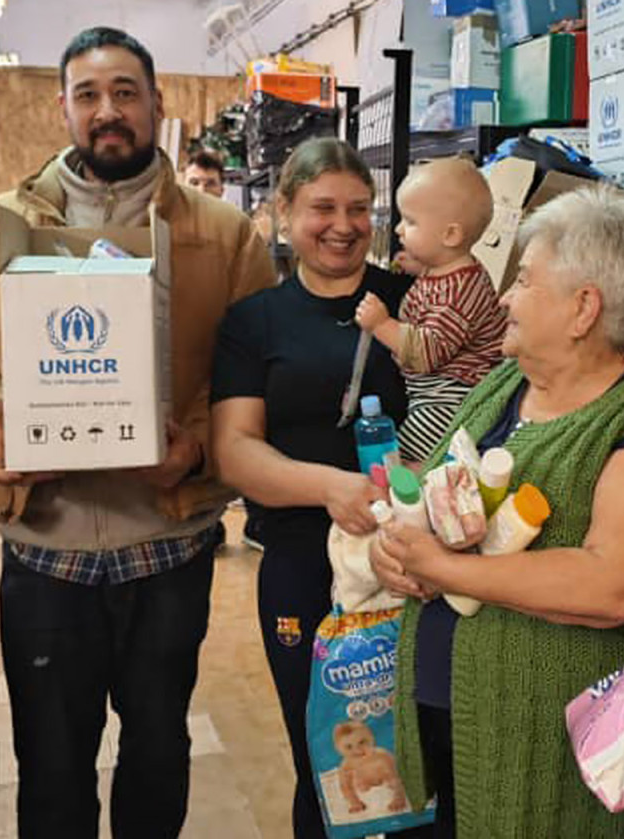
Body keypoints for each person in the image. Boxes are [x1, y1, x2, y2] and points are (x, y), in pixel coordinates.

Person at [0, 27, 275, 839]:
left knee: (157, 747)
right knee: (52, 760)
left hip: (168, 548)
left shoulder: (224, 236)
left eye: (124, 92)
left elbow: (259, 366)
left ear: (156, 104)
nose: (107, 111)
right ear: (64, 109)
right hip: (48, 550)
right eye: (88, 95)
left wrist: (194, 445)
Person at [368, 185, 624, 837]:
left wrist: (445, 569)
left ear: (584, 307)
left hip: (546, 767)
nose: (505, 297)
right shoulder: (505, 384)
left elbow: (622, 582)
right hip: (449, 729)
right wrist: (398, 544)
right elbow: (432, 492)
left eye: (524, 280)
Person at [209, 137, 426, 839]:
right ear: (283, 212)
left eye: (360, 209)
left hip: (417, 561)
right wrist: (332, 486)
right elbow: (235, 449)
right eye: (322, 208)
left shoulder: (412, 302)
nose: (343, 224)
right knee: (326, 757)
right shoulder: (255, 322)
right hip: (304, 562)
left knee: (419, 753)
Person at [354, 158, 506, 462]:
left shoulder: (461, 291)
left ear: (450, 236)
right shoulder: (444, 267)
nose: (398, 229)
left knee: (405, 454)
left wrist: (381, 324)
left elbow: (427, 353)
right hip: (432, 392)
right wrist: (420, 264)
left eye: (410, 222)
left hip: (454, 397)